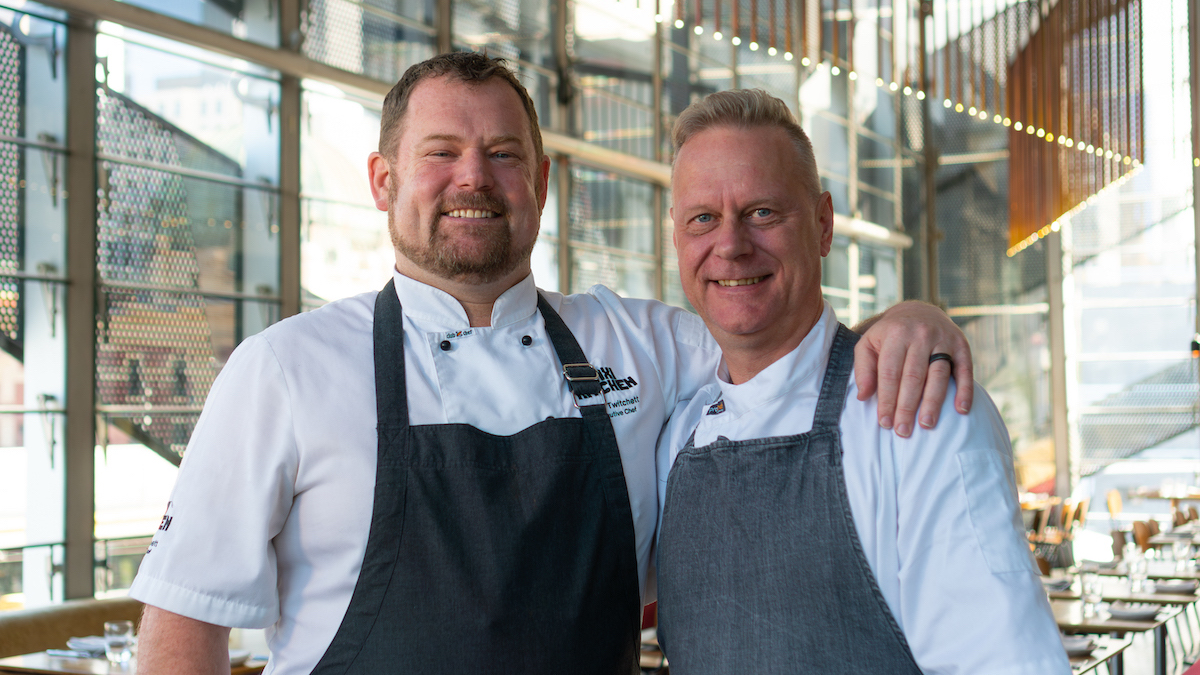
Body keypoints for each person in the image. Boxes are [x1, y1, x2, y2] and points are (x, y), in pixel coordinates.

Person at [130, 53, 974, 674]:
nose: (475, 177)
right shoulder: (282, 370)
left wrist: (909, 320)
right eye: (440, 153)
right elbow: (182, 629)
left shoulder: (644, 345)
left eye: (503, 154)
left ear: (542, 179)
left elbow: (777, 332)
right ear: (383, 180)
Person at [654, 88, 1069, 675]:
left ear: (823, 225)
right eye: (703, 218)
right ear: (676, 236)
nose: (730, 245)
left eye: (762, 213)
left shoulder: (916, 409)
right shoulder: (677, 437)